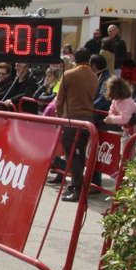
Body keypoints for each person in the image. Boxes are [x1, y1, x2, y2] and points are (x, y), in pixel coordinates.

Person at [55, 48, 99, 203]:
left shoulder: (69, 75)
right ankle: (76, 185)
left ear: (75, 60)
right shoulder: (94, 77)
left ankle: (78, 189)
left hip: (71, 120)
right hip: (88, 120)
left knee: (71, 154)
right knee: (79, 155)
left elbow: (59, 99)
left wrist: (58, 114)